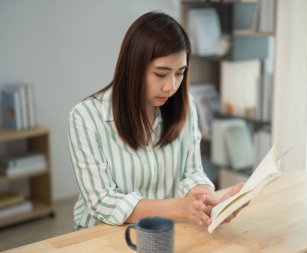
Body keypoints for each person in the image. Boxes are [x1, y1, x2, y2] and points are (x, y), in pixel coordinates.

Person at [68, 11, 247, 230]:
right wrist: (181, 208)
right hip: (103, 236)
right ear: (134, 68)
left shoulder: (185, 106)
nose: (171, 86)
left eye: (180, 73)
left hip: (164, 232)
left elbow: (192, 172)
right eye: (161, 74)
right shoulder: (86, 117)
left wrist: (205, 198)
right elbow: (101, 202)